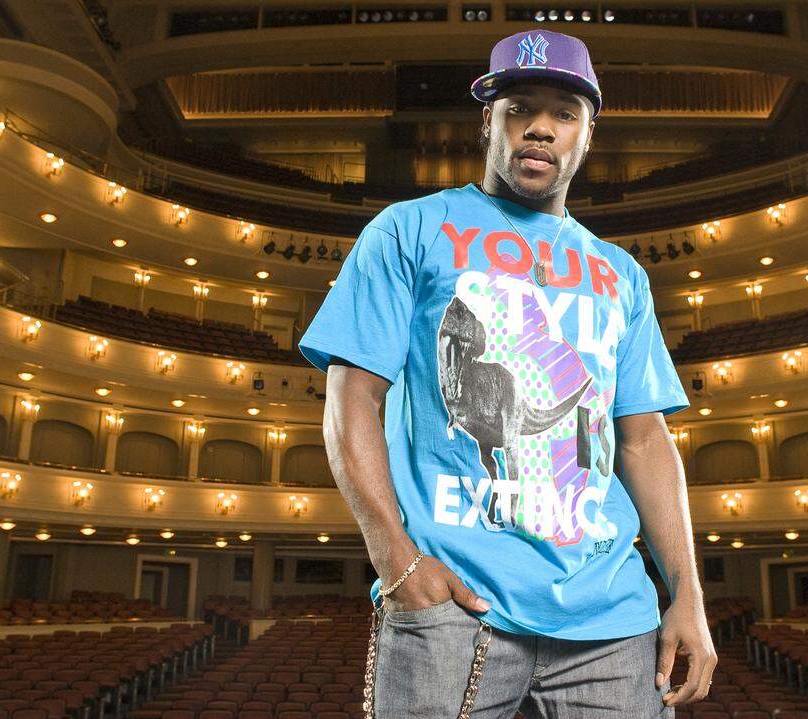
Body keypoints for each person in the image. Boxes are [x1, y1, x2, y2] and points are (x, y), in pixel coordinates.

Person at [299, 28, 717, 719]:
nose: (541, 129)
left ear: (588, 135)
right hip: (454, 604)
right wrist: (396, 560)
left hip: (612, 619)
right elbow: (351, 400)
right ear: (486, 123)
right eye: (519, 109)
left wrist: (687, 594)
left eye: (564, 113)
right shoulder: (409, 229)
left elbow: (644, 441)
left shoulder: (621, 273)